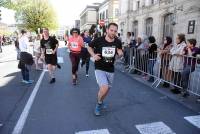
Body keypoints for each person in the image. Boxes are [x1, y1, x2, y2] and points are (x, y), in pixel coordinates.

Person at [87, 23, 123, 116]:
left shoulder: (117, 41)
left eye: (115, 31)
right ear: (107, 30)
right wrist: (93, 55)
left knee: (106, 90)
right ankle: (98, 104)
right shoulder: (99, 40)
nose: (113, 32)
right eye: (111, 30)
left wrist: (120, 53)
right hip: (99, 67)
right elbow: (89, 47)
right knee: (104, 87)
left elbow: (119, 51)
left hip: (110, 69)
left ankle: (101, 101)